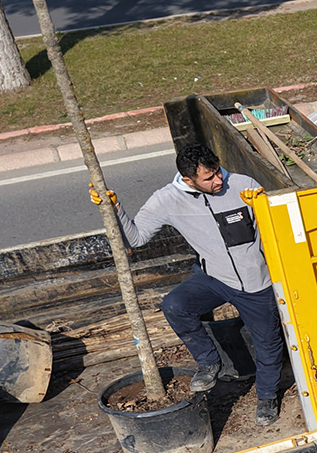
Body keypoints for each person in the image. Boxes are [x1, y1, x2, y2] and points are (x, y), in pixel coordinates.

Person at [90, 144, 287, 426]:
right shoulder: (166, 200)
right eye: (209, 178)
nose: (219, 181)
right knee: (175, 305)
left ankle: (267, 397)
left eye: (218, 172)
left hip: (256, 282)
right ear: (188, 180)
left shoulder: (244, 185)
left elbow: (278, 228)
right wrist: (114, 209)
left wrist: (264, 206)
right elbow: (135, 238)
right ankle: (209, 362)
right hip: (214, 278)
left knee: (268, 343)